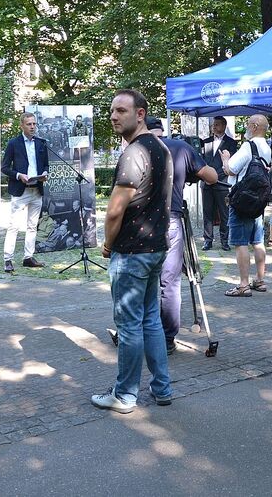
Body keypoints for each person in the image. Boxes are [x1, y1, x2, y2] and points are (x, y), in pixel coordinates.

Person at [92, 90, 173, 414]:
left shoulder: (134, 152)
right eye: (112, 110)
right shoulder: (161, 149)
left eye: (121, 110)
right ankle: (162, 388)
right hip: (155, 249)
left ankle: (124, 395)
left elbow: (114, 211)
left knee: (129, 326)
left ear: (140, 114)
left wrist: (109, 244)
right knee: (150, 320)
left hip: (132, 252)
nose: (114, 116)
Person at [146, 117, 217, 354]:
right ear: (163, 130)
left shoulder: (137, 148)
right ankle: (167, 339)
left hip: (140, 224)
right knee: (170, 282)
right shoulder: (180, 147)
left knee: (141, 281)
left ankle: (137, 334)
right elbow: (212, 177)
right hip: (171, 221)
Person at [221, 114, 271, 297]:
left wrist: (226, 158)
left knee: (241, 243)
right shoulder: (267, 147)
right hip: (258, 202)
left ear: (255, 126)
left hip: (242, 201)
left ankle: (243, 284)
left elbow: (231, 169)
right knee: (258, 241)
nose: (246, 127)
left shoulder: (248, 146)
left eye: (248, 124)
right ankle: (259, 279)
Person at [1, 113, 50, 272]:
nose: (32, 127)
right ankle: (8, 259)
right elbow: (5, 167)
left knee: (32, 226)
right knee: (14, 226)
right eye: (29, 124)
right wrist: (18, 175)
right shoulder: (13, 144)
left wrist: (45, 174)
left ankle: (28, 257)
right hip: (20, 191)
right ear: (21, 126)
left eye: (34, 124)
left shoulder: (41, 143)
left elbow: (46, 165)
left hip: (37, 189)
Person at [201, 116, 237, 251]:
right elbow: (201, 160)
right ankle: (208, 240)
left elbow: (231, 163)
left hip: (222, 182)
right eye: (213, 125)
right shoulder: (205, 142)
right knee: (207, 212)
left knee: (224, 213)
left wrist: (215, 177)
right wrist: (205, 176)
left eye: (217, 124)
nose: (214, 127)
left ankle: (224, 240)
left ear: (224, 126)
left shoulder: (231, 143)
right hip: (206, 182)